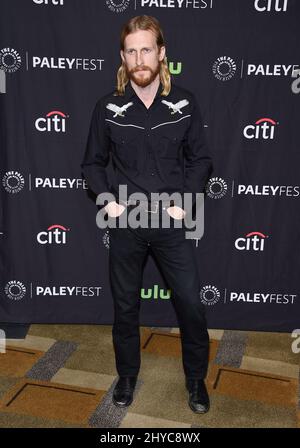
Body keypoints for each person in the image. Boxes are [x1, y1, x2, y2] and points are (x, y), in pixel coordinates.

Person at [81, 15, 214, 414]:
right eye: (132, 51)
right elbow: (92, 165)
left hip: (173, 224)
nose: (140, 58)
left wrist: (185, 200)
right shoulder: (108, 107)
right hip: (127, 224)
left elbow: (202, 160)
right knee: (125, 307)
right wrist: (109, 201)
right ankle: (126, 377)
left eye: (147, 50)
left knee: (190, 303)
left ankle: (196, 380)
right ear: (123, 57)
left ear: (161, 54)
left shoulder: (185, 102)